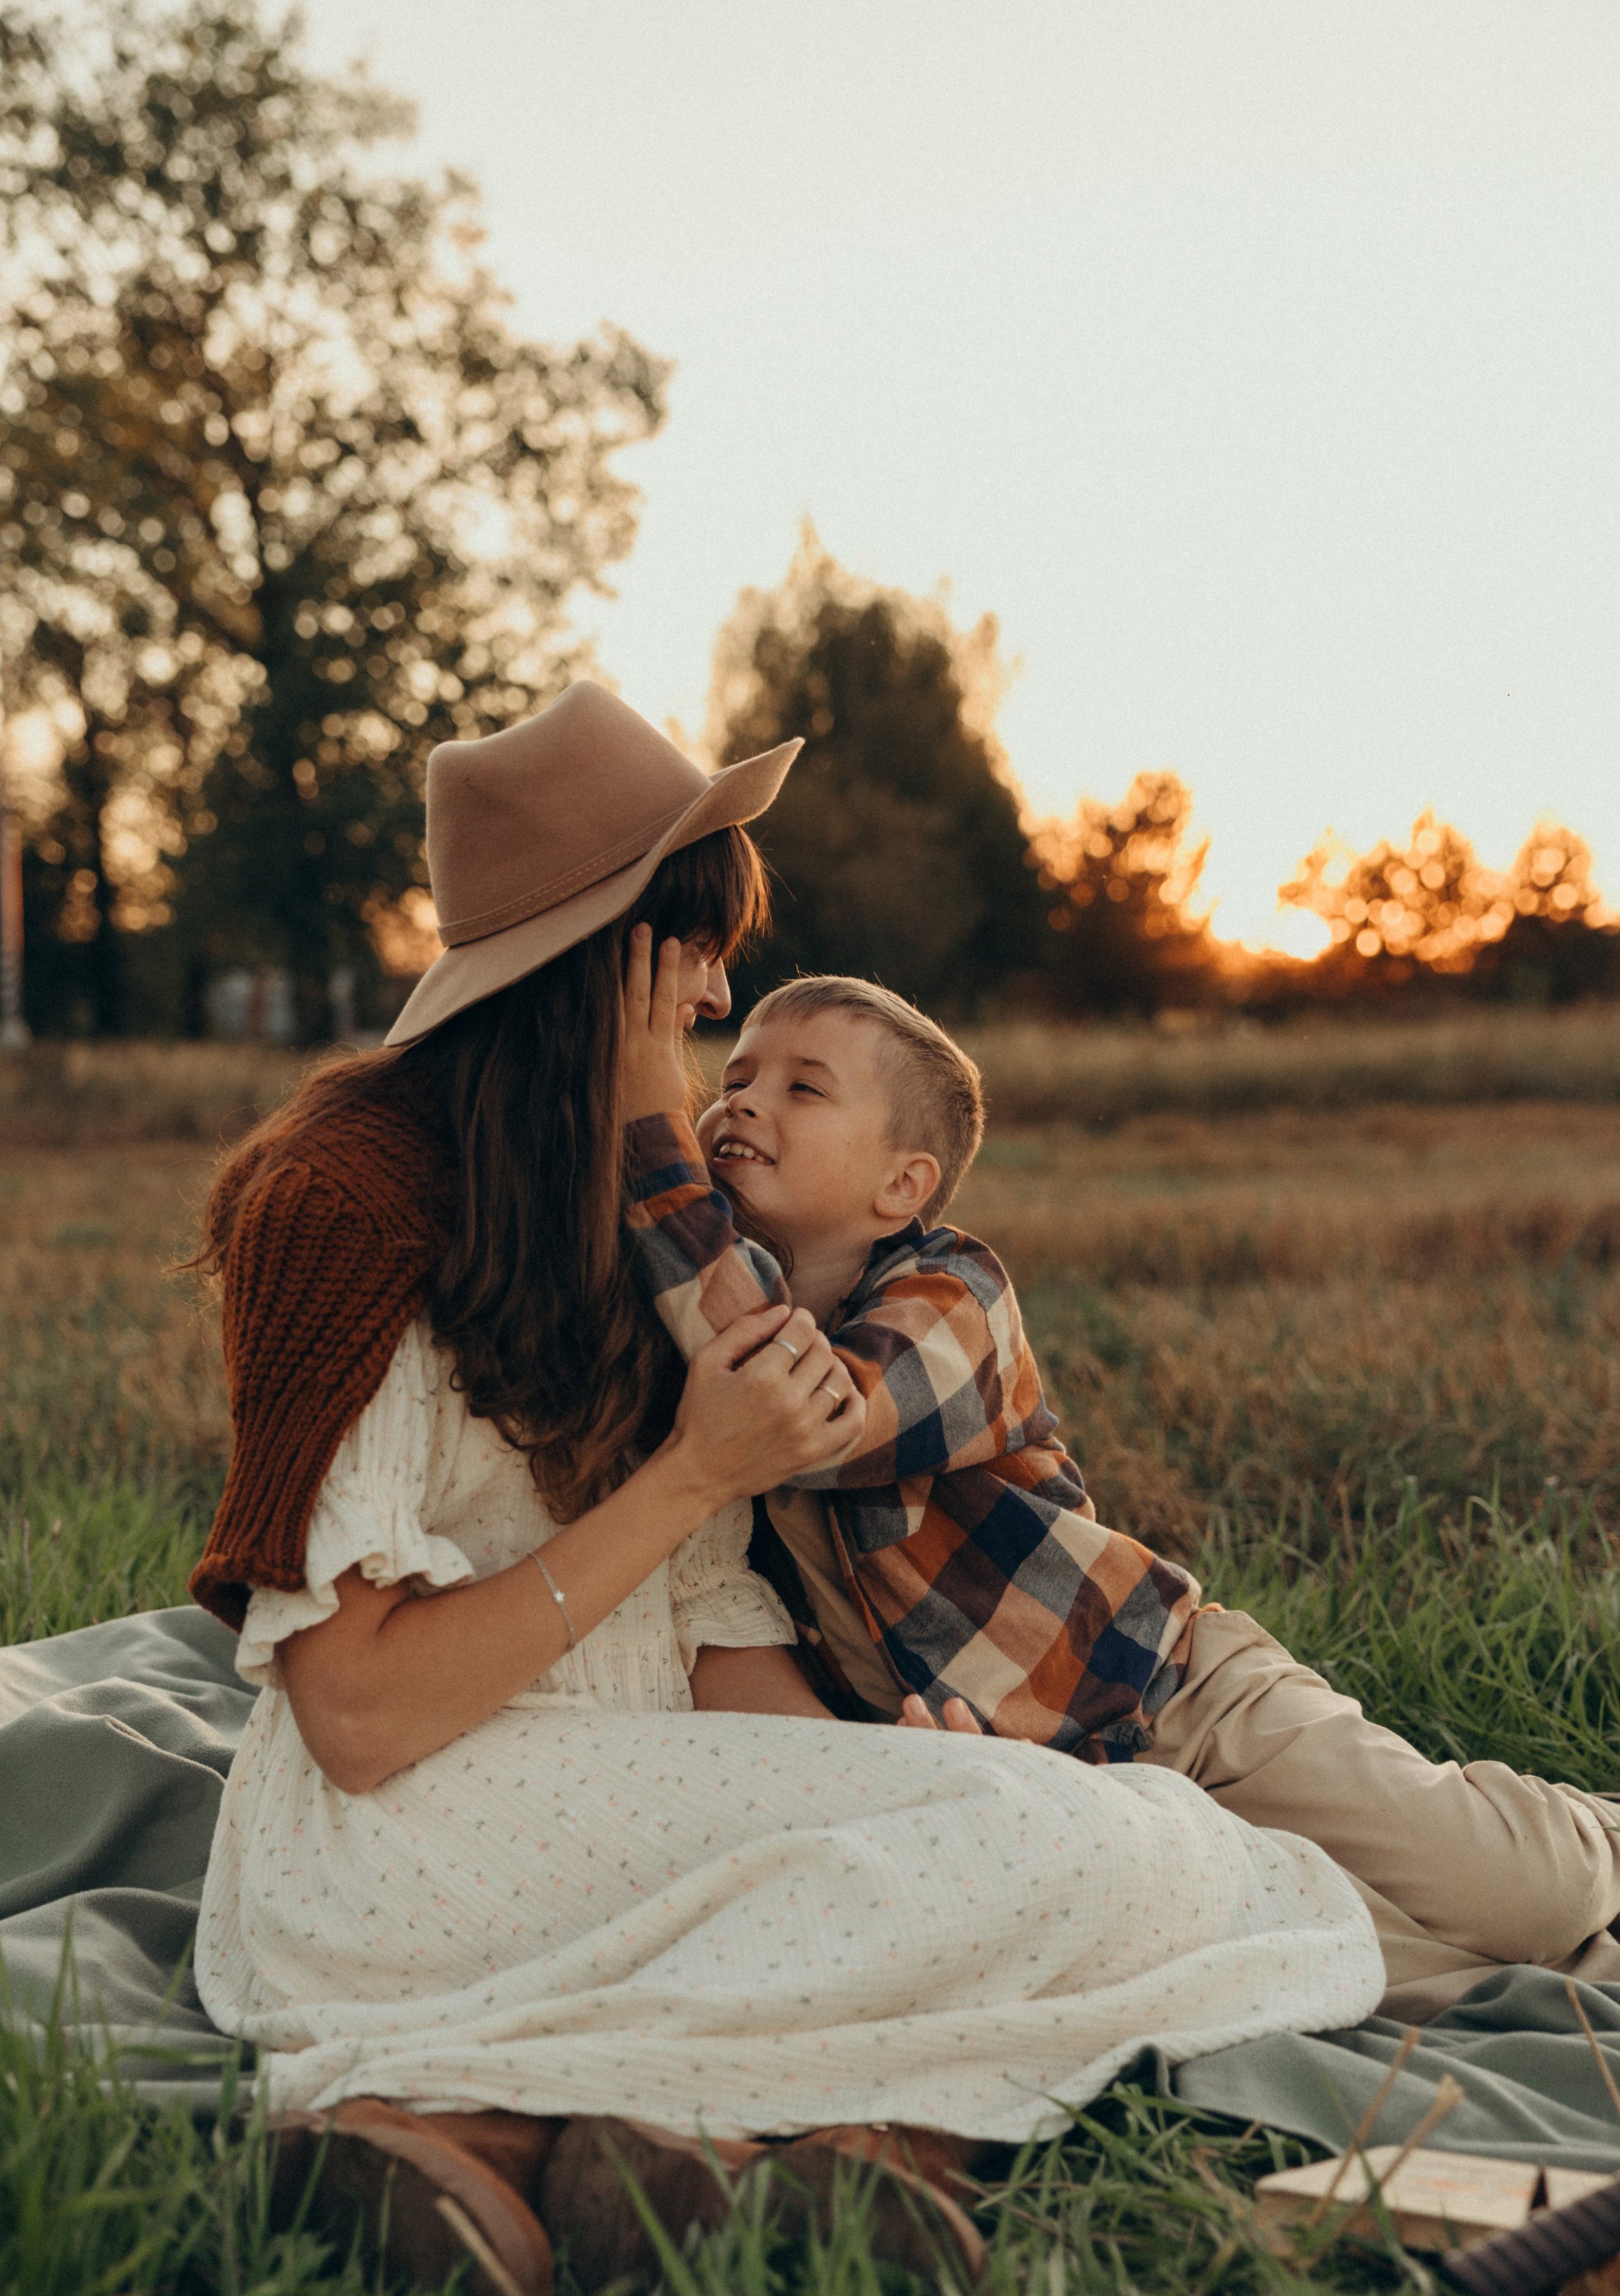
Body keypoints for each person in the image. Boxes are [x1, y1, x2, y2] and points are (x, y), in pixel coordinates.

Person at [187, 685, 1382, 2295]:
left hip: (637, 1794)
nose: (717, 993)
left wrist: (904, 1789)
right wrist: (691, 1473)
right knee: (1160, 1869)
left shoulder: (626, 1206)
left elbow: (706, 1622)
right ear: (611, 954)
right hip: (413, 1836)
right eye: (695, 958)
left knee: (1107, 1838)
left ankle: (648, 2147)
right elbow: (359, 1715)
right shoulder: (340, 1201)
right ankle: (597, 2131)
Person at [623, 964, 1620, 2025]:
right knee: (1375, 1963)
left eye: (802, 1089)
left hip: (1180, 1693)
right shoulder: (692, 1328)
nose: (740, 1103)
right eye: (731, 1079)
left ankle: (1601, 1832)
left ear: (904, 1186)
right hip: (1073, 1798)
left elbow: (801, 1417)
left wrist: (649, 1124)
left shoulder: (953, 1298)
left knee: (1525, 1891)